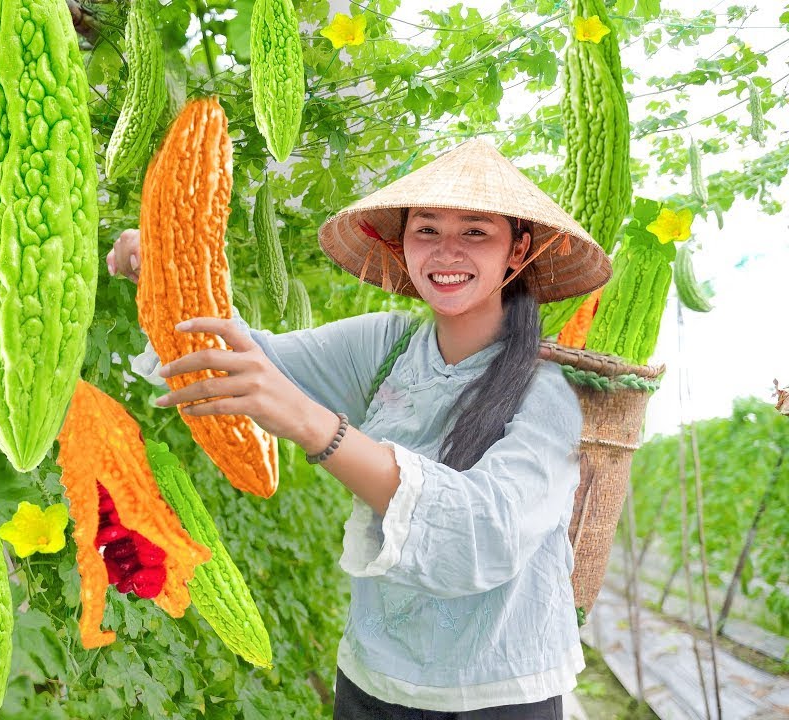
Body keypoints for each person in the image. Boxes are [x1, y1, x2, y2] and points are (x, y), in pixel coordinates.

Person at [106, 137, 613, 719]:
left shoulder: (554, 393)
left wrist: (319, 429)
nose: (446, 251)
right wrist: (167, 273)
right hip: (371, 680)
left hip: (497, 693)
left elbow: (483, 534)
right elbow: (241, 363)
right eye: (426, 230)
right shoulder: (384, 345)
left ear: (517, 250)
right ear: (403, 243)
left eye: (475, 232)